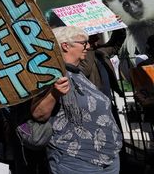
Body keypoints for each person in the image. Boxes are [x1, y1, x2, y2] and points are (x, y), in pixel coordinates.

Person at [32, 26, 123, 174]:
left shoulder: (77, 73)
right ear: (65, 46)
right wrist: (54, 93)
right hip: (76, 160)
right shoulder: (50, 74)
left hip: (107, 158)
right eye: (83, 42)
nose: (88, 46)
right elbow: (38, 114)